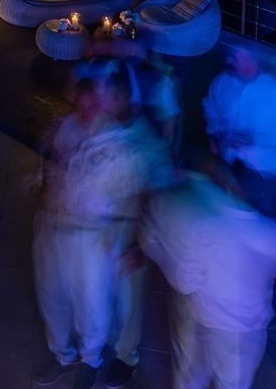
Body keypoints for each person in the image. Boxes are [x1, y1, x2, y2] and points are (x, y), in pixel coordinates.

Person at [33, 58, 169, 388]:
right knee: (68, 294)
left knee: (117, 301)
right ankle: (72, 355)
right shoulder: (82, 125)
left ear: (122, 96)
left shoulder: (138, 141)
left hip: (117, 229)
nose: (97, 101)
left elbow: (156, 193)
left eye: (105, 94)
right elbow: (60, 164)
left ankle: (117, 357)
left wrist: (140, 244)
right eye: (95, 93)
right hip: (74, 225)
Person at [144, 174, 276, 389]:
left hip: (205, 320)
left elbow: (185, 283)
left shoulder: (206, 228)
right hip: (248, 331)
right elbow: (273, 272)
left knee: (191, 376)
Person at [203, 43, 276, 221]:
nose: (245, 63)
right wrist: (213, 133)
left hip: (266, 177)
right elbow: (211, 108)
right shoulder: (221, 82)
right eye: (237, 58)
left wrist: (255, 138)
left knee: (265, 226)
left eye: (249, 58)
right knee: (225, 221)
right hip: (228, 168)